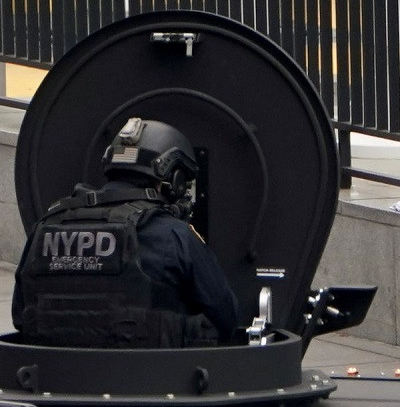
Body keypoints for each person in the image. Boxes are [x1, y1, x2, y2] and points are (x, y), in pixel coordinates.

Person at [12, 117, 239, 348]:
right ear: (174, 180)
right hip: (154, 379)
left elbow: (21, 316)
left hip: (53, 380)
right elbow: (226, 318)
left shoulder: (46, 227)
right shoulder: (174, 235)